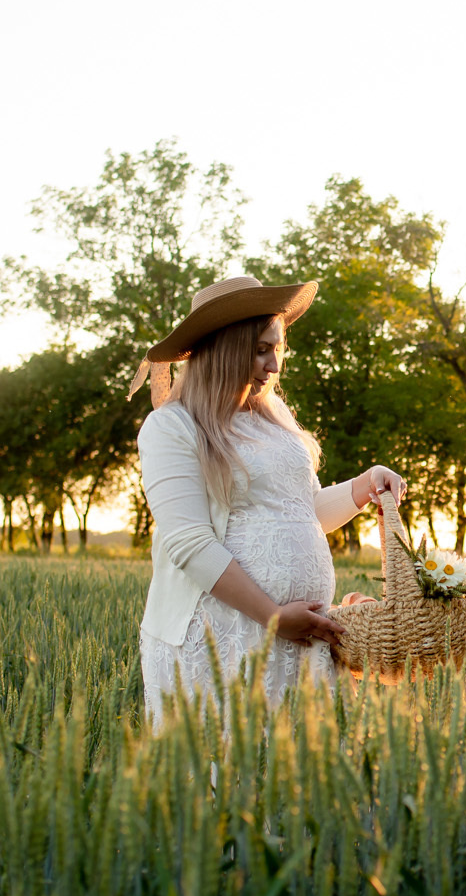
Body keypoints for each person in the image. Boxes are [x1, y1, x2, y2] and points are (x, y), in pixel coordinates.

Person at [131, 274, 405, 725]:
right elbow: (189, 542)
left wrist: (361, 487)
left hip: (301, 636)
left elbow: (300, 512)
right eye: (260, 350)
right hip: (224, 635)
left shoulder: (272, 422)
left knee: (299, 777)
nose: (273, 365)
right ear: (222, 349)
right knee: (230, 770)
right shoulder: (172, 427)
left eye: (277, 348)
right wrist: (273, 615)